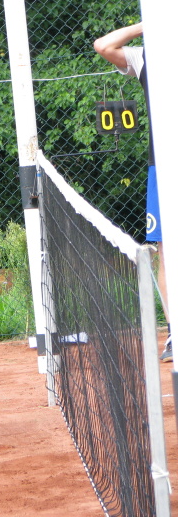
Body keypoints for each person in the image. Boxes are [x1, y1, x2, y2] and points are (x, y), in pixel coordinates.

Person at [94, 22, 171, 361]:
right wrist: (148, 23)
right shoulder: (147, 56)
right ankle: (175, 332)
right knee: (167, 254)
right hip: (163, 169)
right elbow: (103, 46)